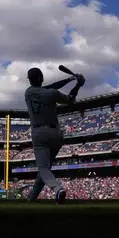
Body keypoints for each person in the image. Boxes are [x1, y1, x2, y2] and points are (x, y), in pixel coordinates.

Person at [24, 67, 85, 204]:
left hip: (39, 133)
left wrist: (69, 79)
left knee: (43, 168)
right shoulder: (52, 93)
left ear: (30, 80)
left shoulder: (28, 93)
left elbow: (47, 88)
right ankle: (31, 198)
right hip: (56, 133)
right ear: (41, 78)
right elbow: (70, 99)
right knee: (45, 169)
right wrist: (77, 84)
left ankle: (58, 189)